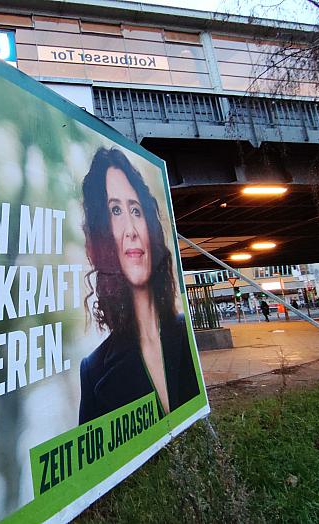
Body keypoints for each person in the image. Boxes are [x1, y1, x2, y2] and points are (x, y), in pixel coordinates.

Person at [78, 147, 199, 424]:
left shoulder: (185, 333)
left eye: (136, 209)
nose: (131, 229)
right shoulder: (94, 370)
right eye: (115, 210)